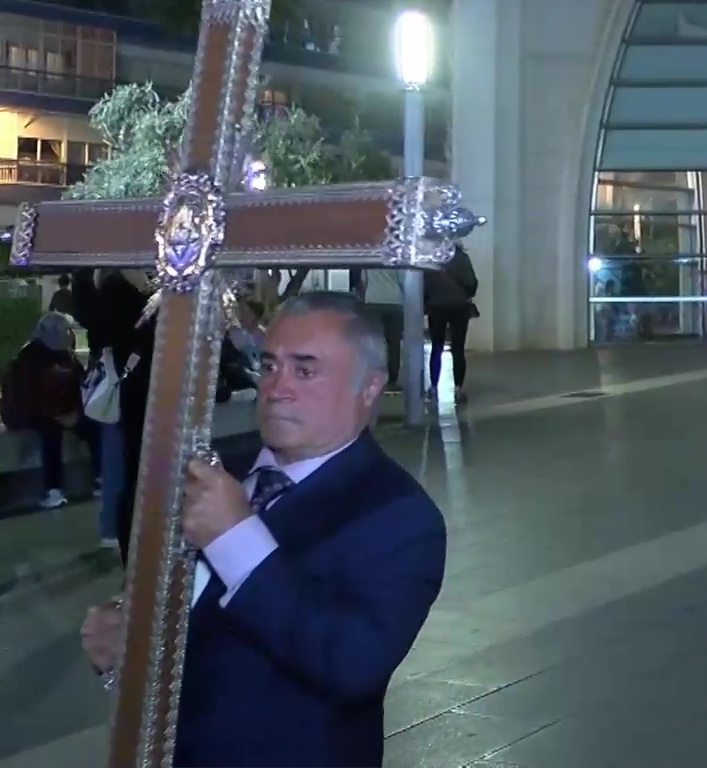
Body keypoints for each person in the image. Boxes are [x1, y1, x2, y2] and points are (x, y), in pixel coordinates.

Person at [79, 292, 448, 768]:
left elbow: (352, 664)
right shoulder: (209, 472)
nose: (277, 387)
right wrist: (128, 640)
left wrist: (236, 538)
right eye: (270, 365)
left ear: (370, 387)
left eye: (306, 369)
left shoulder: (400, 517)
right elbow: (173, 614)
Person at [70, 268, 154, 560]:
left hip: (119, 390)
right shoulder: (127, 297)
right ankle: (126, 538)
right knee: (129, 470)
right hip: (136, 394)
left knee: (117, 466)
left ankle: (113, 531)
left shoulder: (97, 296)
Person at [1, 313, 88, 509]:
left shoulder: (65, 354)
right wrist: (57, 415)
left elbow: (79, 384)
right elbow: (26, 398)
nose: (69, 335)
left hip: (58, 411)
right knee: (51, 432)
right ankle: (53, 489)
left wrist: (75, 411)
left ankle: (100, 476)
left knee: (90, 423)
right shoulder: (29, 357)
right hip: (30, 413)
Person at [425, 241, 480, 404]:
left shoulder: (432, 259)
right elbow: (472, 282)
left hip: (436, 306)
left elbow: (425, 285)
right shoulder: (462, 258)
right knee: (458, 347)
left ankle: (434, 386)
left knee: (437, 346)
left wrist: (428, 301)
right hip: (459, 306)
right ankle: (458, 387)